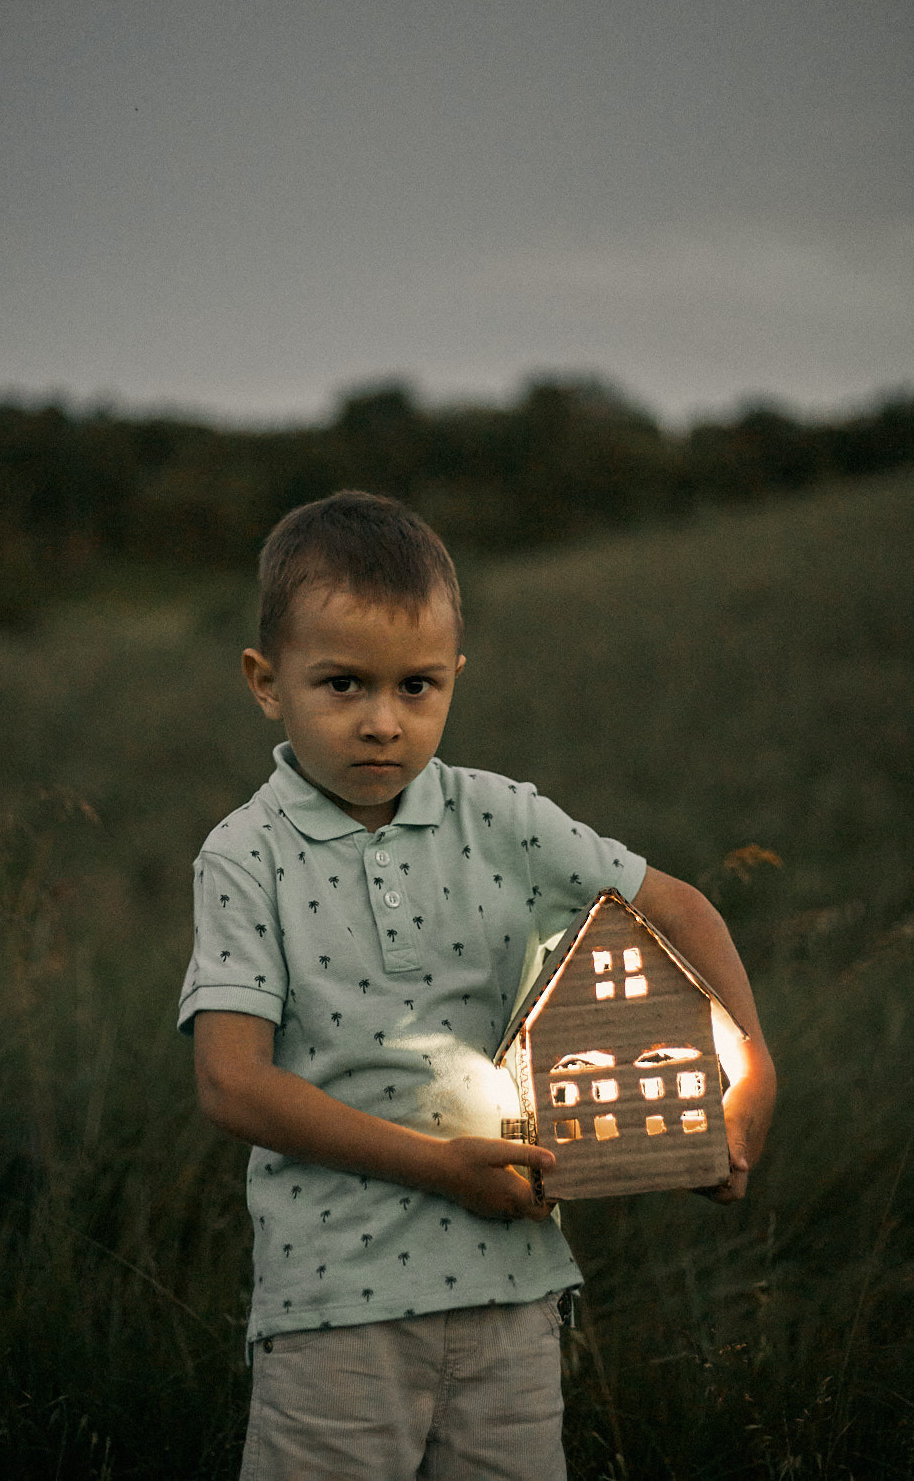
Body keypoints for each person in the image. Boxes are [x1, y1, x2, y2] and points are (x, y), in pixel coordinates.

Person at [178, 490, 775, 1480]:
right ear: (265, 682)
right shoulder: (248, 855)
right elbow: (231, 1083)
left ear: (455, 677)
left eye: (417, 686)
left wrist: (752, 1080)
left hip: (514, 1293)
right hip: (336, 1312)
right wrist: (436, 1166)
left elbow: (683, 910)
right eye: (341, 685)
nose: (382, 722)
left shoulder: (502, 818)